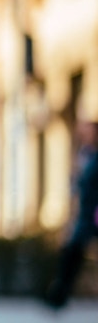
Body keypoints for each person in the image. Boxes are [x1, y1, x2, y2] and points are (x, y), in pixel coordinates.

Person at [45, 119, 98, 309]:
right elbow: (77, 186)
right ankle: (59, 294)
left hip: (93, 213)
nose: (85, 134)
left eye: (90, 131)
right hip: (86, 215)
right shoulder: (84, 154)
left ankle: (59, 295)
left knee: (74, 251)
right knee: (72, 252)